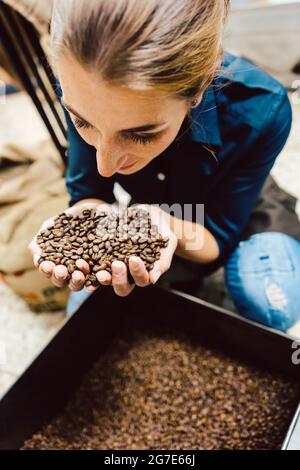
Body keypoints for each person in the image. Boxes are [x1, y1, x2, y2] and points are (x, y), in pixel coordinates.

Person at [28, 0, 300, 332]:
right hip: (155, 210)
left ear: (199, 90)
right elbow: (89, 193)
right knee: (85, 316)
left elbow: (217, 238)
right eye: (84, 123)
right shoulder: (86, 85)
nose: (105, 164)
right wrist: (89, 225)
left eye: (141, 134)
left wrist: (165, 225)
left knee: (272, 305)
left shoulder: (263, 108)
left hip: (238, 207)